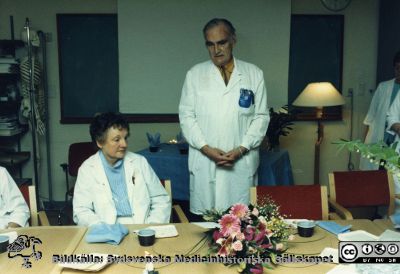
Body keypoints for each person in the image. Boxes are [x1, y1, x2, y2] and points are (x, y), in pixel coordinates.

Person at [179, 18, 269, 217]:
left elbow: (261, 116)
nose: (216, 49)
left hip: (240, 163)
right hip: (206, 161)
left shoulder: (254, 74)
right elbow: (186, 117)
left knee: (242, 228)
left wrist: (241, 148)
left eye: (222, 42)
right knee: (206, 226)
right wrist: (206, 148)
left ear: (233, 41)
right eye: (210, 44)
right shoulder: (195, 74)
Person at [73, 112, 171, 226]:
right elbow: (81, 210)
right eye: (117, 139)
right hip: (106, 231)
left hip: (142, 227)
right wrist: (103, 229)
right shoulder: (87, 169)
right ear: (100, 142)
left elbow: (161, 199)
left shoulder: (139, 162)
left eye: (125, 138)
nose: (124, 144)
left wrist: (151, 226)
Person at [361, 50, 400, 170]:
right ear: (394, 68)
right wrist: (365, 146)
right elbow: (370, 117)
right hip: (379, 138)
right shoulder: (383, 87)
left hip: (396, 142)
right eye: (398, 68)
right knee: (376, 175)